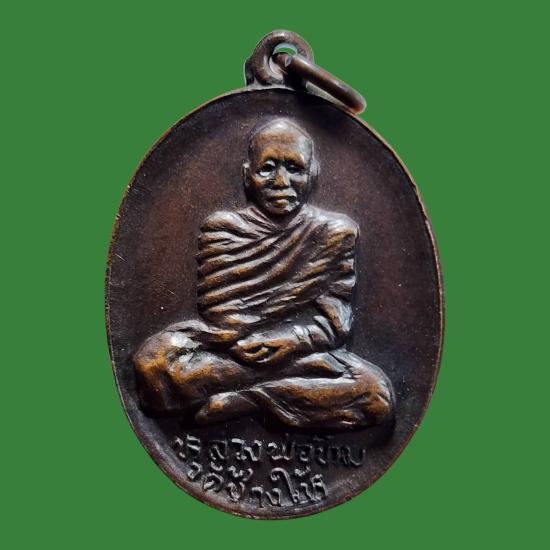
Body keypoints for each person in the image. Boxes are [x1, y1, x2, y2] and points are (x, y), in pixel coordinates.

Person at [134, 118, 394, 430]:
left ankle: (242, 400)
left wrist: (289, 342)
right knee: (153, 365)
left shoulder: (335, 233)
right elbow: (218, 312)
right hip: (236, 350)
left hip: (295, 350)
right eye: (267, 168)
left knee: (376, 396)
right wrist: (253, 348)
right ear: (248, 175)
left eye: (294, 168)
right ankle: (274, 385)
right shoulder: (223, 228)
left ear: (313, 173)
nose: (281, 181)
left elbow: (335, 323)